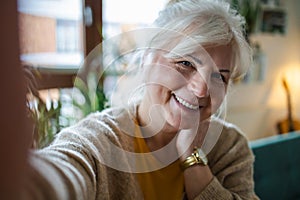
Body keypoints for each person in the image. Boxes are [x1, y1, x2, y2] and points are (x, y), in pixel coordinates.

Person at [24, 0, 259, 199]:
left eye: (219, 76)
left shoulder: (230, 147)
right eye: (185, 63)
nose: (200, 90)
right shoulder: (99, 141)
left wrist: (191, 156)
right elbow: (63, 167)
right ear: (147, 59)